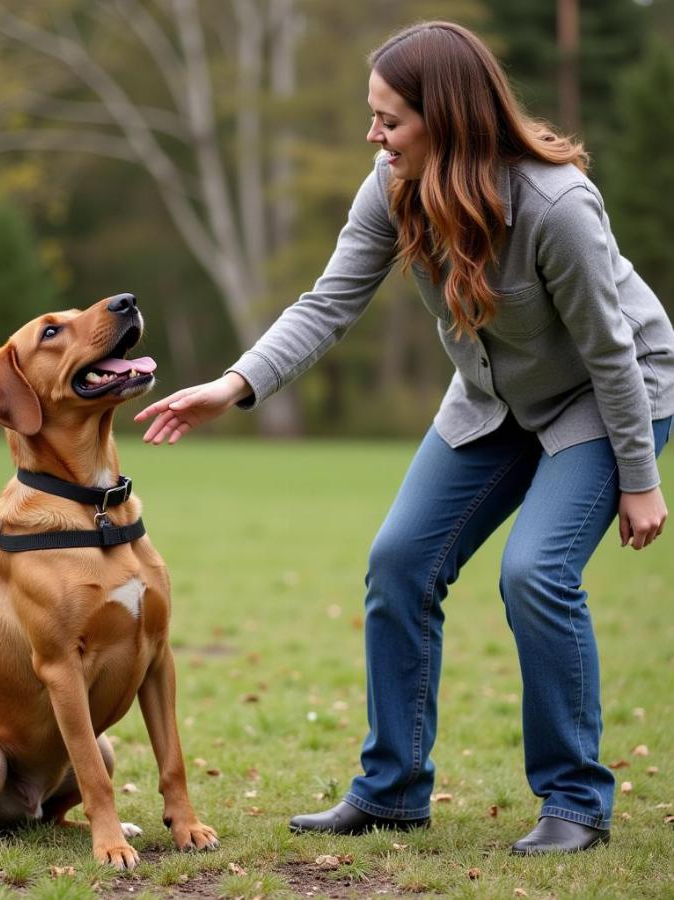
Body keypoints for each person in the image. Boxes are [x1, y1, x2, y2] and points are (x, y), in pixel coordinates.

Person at [134, 21, 674, 855]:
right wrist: (233, 386)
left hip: (608, 399)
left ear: (448, 118)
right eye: (372, 116)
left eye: (389, 119)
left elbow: (609, 349)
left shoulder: (555, 205)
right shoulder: (391, 185)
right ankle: (391, 792)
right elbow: (327, 303)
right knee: (399, 562)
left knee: (537, 572)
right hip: (493, 400)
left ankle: (574, 801)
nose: (373, 136)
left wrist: (638, 480)